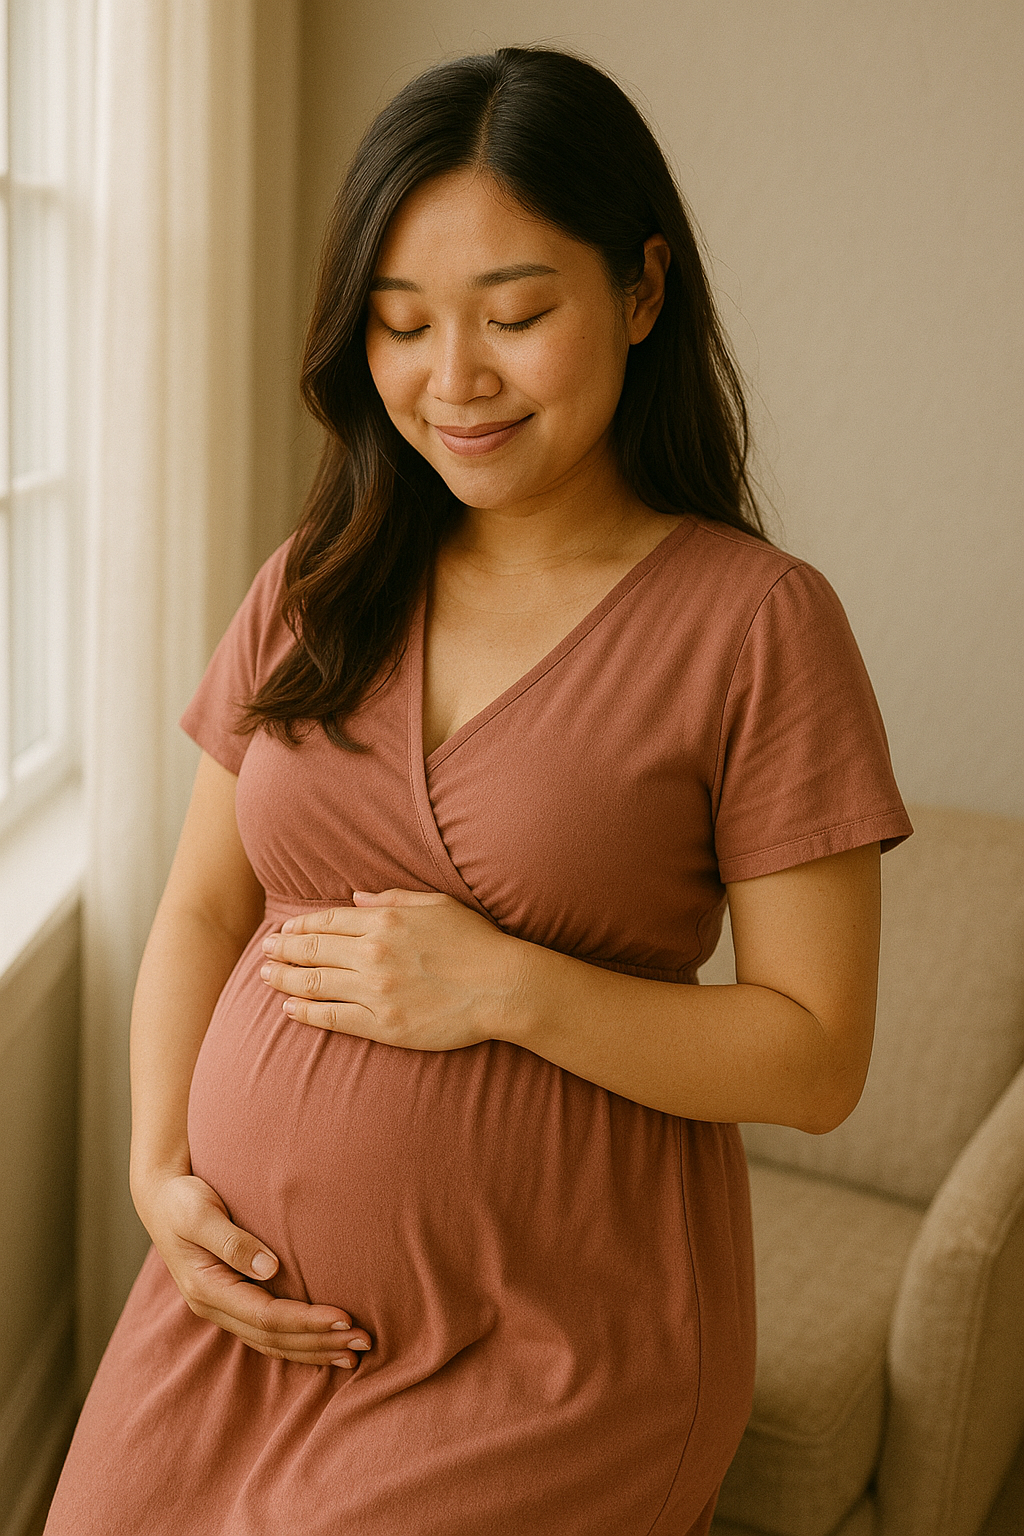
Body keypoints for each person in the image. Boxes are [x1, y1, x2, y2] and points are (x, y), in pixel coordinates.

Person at [46, 45, 912, 1536]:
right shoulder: (316, 586)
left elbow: (815, 1056)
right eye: (401, 326)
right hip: (235, 1320)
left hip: (548, 1357)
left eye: (514, 316)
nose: (454, 380)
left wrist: (504, 987)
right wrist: (156, 1175)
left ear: (642, 293)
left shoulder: (757, 625)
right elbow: (201, 905)